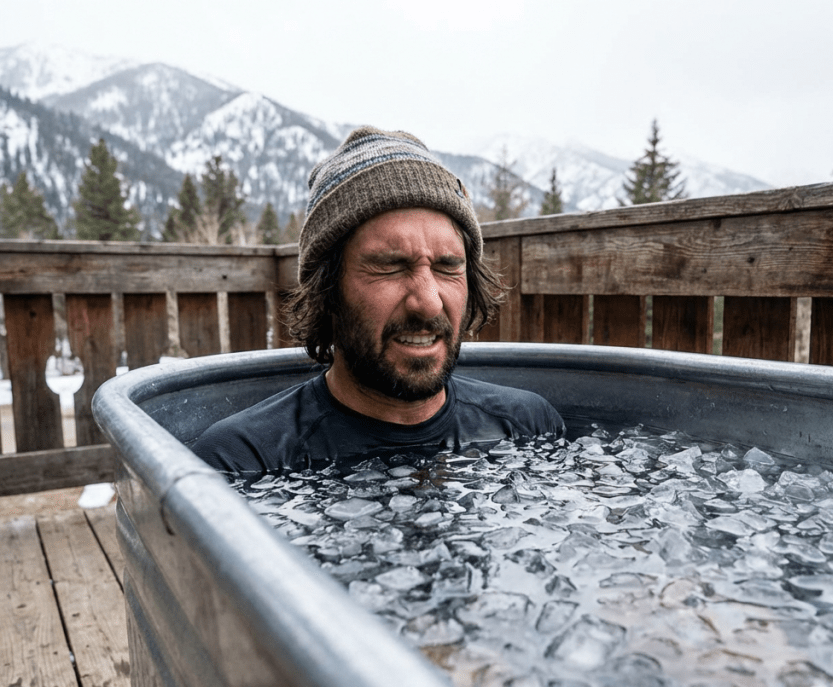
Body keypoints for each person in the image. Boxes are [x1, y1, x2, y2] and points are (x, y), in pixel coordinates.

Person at [192, 127, 564, 474]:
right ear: (327, 289)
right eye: (390, 266)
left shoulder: (528, 428)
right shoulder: (243, 459)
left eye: (448, 267)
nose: (429, 303)